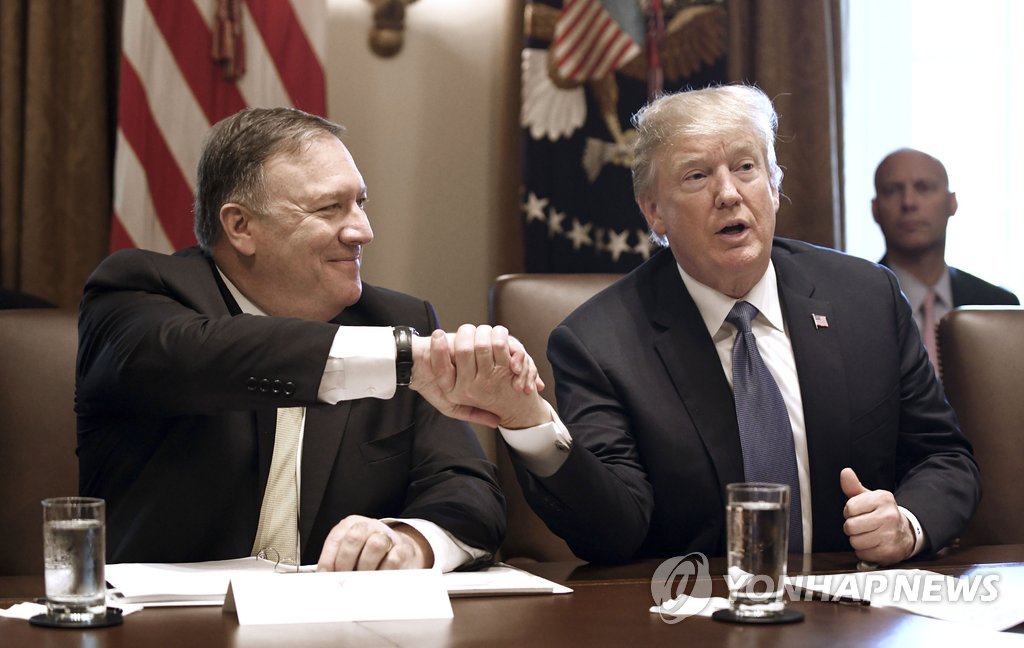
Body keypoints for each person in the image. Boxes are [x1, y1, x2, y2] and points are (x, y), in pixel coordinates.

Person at [432, 85, 981, 567]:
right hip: (692, 614)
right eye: (697, 175)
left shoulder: (866, 298)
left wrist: (907, 523)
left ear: (774, 186)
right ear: (654, 212)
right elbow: (613, 531)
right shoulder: (599, 343)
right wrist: (528, 421)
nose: (729, 193)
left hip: (858, 609)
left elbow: (944, 456)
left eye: (746, 168)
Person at [76, 107, 535, 572]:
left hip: (342, 613)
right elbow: (210, 355)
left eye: (360, 203)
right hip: (169, 615)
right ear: (240, 226)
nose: (363, 231)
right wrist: (404, 359)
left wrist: (410, 544)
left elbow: (470, 492)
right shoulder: (136, 295)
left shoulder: (396, 320)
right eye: (329, 208)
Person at [872, 148, 1019, 367]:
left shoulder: (998, 306)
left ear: (952, 202)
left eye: (923, 187)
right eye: (892, 190)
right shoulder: (854, 306)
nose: (908, 202)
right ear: (875, 209)